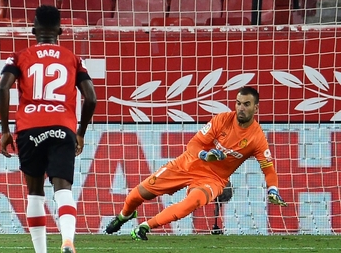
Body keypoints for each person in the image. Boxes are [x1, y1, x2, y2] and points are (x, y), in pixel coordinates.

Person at [105, 86, 287, 241]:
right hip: (187, 164)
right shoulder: (222, 119)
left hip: (213, 179)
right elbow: (193, 144)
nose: (241, 108)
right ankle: (125, 216)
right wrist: (205, 155)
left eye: (246, 104)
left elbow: (268, 169)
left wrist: (273, 190)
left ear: (256, 107)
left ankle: (145, 227)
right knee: (136, 196)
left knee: (192, 202)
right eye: (238, 103)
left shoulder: (257, 138)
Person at [0, 5, 97, 253]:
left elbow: (3, 87)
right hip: (62, 127)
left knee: (35, 192)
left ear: (33, 30)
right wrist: (81, 132)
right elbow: (90, 98)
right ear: (60, 32)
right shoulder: (73, 58)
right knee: (62, 188)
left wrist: (6, 130)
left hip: (29, 128)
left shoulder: (21, 56)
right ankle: (67, 240)